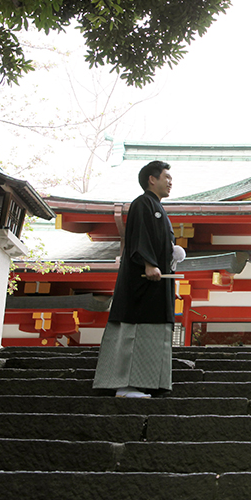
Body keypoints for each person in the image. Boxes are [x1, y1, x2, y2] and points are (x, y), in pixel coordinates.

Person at [93, 160, 177, 398]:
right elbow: (140, 237)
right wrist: (149, 262)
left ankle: (147, 384)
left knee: (153, 331)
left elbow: (162, 243)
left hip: (157, 284)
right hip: (142, 281)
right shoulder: (143, 204)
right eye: (167, 178)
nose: (171, 182)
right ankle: (126, 385)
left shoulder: (158, 209)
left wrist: (174, 252)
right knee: (135, 329)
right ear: (152, 179)